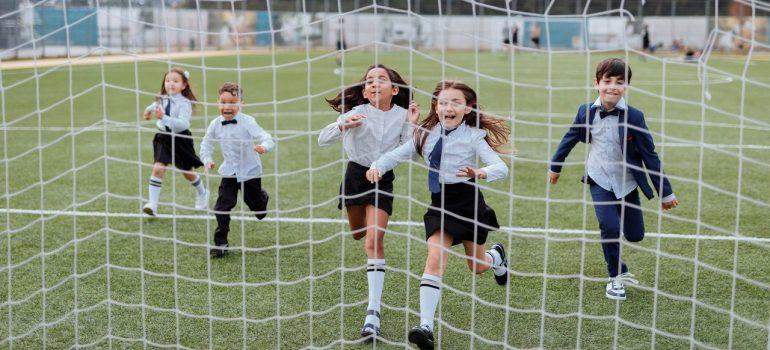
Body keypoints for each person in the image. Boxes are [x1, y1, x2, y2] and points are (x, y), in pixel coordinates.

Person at [366, 80, 510, 350]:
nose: (448, 107)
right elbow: (397, 154)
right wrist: (377, 166)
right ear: (436, 106)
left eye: (456, 102)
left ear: (467, 109)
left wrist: (481, 172)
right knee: (434, 259)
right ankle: (426, 327)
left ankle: (496, 258)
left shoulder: (473, 136)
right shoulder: (425, 133)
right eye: (443, 102)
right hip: (439, 205)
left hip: (469, 205)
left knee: (477, 266)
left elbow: (501, 167)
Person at [548, 58, 680, 301]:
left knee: (635, 235)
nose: (612, 87)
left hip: (627, 183)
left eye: (619, 82)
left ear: (626, 86)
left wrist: (666, 193)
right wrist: (555, 166)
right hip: (599, 179)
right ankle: (616, 277)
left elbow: (650, 155)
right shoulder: (585, 111)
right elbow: (570, 138)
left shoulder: (635, 117)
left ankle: (624, 249)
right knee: (609, 227)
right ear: (596, 83)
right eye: (607, 81)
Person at [318, 64, 418, 339]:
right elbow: (322, 140)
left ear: (394, 90)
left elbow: (412, 154)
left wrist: (411, 124)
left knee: (374, 240)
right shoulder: (356, 112)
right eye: (370, 81)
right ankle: (361, 232)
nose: (375, 84)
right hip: (354, 177)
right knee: (358, 233)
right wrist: (341, 124)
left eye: (382, 80)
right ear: (364, 90)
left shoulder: (402, 115)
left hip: (382, 179)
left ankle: (372, 312)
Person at [199, 82, 273, 258]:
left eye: (232, 102)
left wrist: (264, 146)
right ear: (218, 102)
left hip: (250, 171)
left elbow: (266, 136)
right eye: (223, 102)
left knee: (256, 206)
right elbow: (206, 144)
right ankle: (221, 244)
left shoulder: (248, 122)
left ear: (241, 103)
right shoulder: (215, 124)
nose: (227, 107)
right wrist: (207, 160)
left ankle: (262, 198)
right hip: (229, 172)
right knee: (222, 207)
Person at [142, 67, 208, 216]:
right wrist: (148, 111)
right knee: (158, 168)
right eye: (168, 80)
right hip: (163, 138)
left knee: (187, 172)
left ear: (184, 85)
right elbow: (154, 106)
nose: (171, 84)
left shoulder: (185, 103)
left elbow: (183, 124)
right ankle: (152, 204)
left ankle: (202, 192)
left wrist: (163, 118)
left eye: (175, 81)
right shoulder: (162, 97)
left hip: (181, 139)